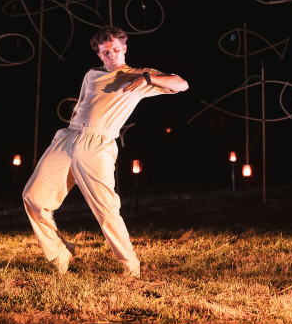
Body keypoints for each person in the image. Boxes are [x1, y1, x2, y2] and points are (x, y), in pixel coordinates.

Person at [22, 25, 188, 278]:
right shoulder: (91, 75)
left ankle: (130, 266)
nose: (112, 55)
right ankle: (59, 251)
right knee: (33, 196)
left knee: (106, 208)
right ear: (99, 55)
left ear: (124, 49)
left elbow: (182, 84)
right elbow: (82, 104)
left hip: (97, 145)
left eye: (116, 50)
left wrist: (148, 78)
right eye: (106, 52)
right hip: (68, 137)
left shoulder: (138, 75)